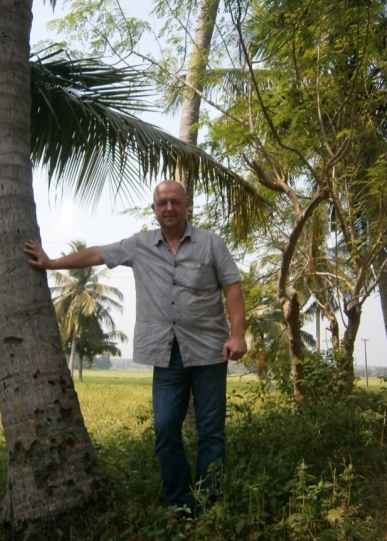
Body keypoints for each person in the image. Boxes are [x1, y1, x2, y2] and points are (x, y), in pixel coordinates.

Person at [24, 180, 247, 514]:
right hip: (166, 354)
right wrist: (52, 263)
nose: (169, 208)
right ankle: (181, 506)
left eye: (175, 202)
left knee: (211, 432)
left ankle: (208, 507)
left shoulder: (211, 243)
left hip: (210, 351)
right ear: (154, 209)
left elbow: (232, 288)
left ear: (187, 206)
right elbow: (98, 253)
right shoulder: (139, 245)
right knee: (165, 429)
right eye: (162, 203)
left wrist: (238, 334)